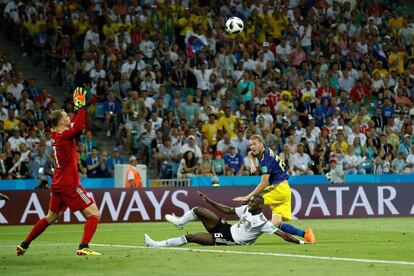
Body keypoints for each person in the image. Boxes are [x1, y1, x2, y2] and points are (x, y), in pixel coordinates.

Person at [16, 87, 101, 256]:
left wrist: (77, 110)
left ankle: (24, 244)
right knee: (94, 214)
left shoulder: (56, 136)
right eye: (66, 116)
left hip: (58, 183)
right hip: (70, 184)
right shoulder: (64, 136)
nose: (69, 117)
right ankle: (84, 245)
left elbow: (75, 124)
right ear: (61, 122)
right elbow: (77, 128)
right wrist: (81, 107)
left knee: (51, 217)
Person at [233, 134, 316, 244]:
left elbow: (263, 184)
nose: (252, 147)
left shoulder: (266, 159)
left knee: (250, 202)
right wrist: (253, 164)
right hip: (285, 190)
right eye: (250, 145)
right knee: (276, 224)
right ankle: (306, 234)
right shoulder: (265, 151)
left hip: (278, 188)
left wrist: (247, 196)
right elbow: (250, 154)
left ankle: (238, 235)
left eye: (255, 144)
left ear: (261, 144)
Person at [145, 192, 308, 247]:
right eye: (250, 200)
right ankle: (180, 222)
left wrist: (301, 242)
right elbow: (228, 210)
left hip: (230, 239)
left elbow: (283, 235)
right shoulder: (246, 208)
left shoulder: (262, 222)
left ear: (259, 206)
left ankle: (156, 245)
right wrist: (209, 201)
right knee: (199, 210)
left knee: (192, 237)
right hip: (226, 229)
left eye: (252, 201)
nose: (249, 202)